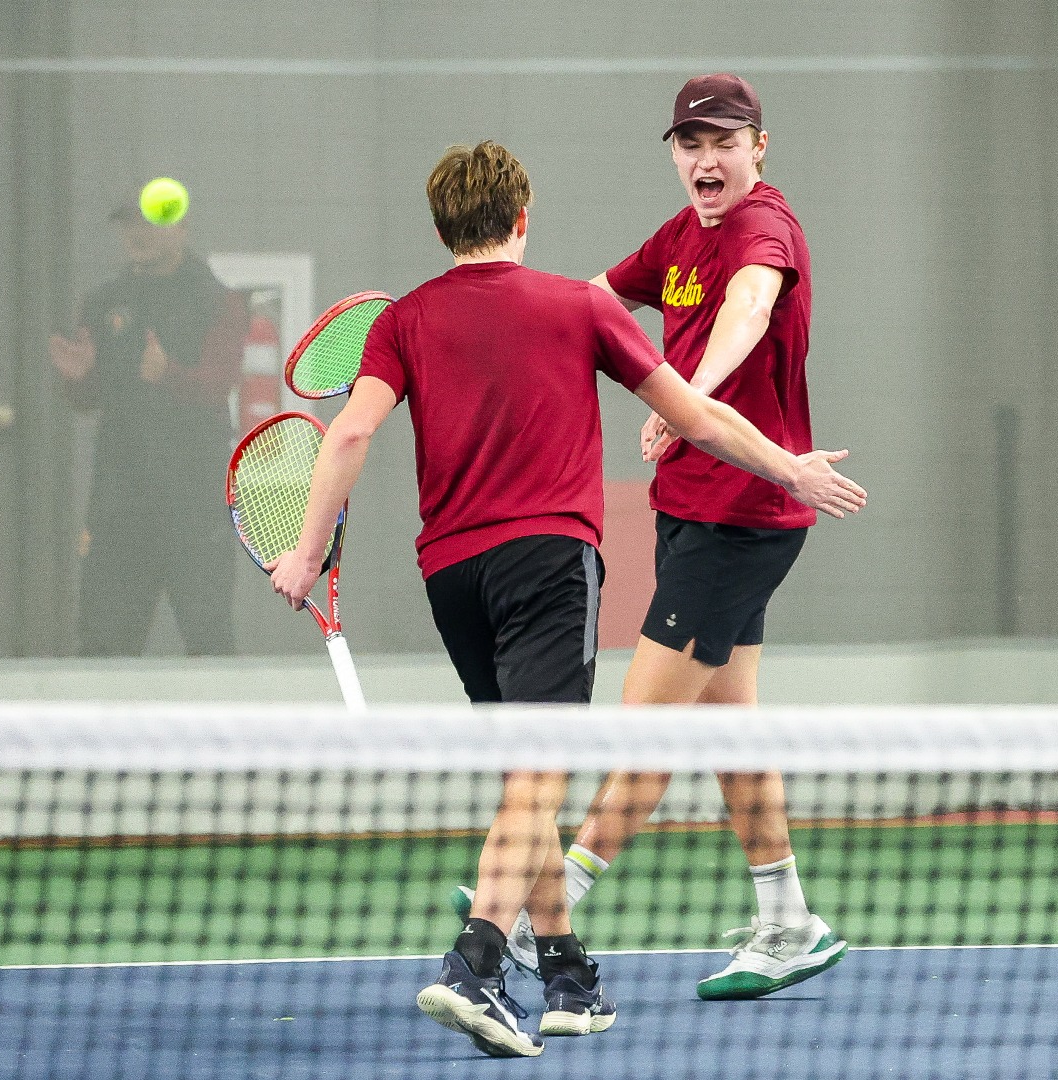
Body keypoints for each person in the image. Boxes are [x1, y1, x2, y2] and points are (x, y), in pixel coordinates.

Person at [267, 141, 864, 1058]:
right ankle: (474, 963)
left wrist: (307, 552)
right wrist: (790, 468)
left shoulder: (406, 321)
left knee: (523, 777)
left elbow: (348, 432)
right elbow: (697, 416)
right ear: (523, 219)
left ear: (440, 229)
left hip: (451, 575)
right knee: (541, 774)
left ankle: (568, 972)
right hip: (547, 563)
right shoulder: (579, 307)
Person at [458, 73, 846, 1002]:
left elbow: (750, 311)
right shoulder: (680, 237)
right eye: (689, 144)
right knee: (726, 721)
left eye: (724, 142)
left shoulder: (764, 232)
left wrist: (691, 398)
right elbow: (585, 303)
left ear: (760, 145)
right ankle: (788, 919)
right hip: (690, 508)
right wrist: (485, 322)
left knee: (646, 725)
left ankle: (536, 908)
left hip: (741, 518)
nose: (706, 160)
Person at [50, 193, 241, 657]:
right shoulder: (103, 302)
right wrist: (77, 379)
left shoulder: (219, 301)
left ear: (180, 229)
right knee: (102, 642)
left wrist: (167, 375)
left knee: (209, 640)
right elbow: (90, 397)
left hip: (194, 507)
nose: (136, 234)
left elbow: (217, 386)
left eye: (150, 223)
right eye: (127, 225)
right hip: (120, 506)